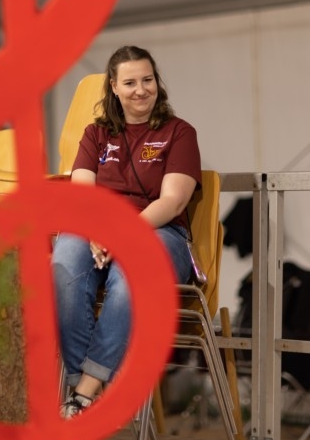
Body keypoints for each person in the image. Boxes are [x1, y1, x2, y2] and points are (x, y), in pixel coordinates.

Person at [52, 45, 201, 418]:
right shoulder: (96, 134)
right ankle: (84, 390)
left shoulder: (179, 133)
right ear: (114, 87)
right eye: (130, 82)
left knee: (131, 274)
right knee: (63, 268)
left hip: (159, 231)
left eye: (147, 80)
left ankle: (84, 392)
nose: (141, 90)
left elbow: (173, 202)